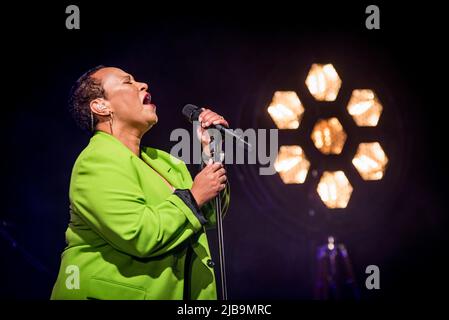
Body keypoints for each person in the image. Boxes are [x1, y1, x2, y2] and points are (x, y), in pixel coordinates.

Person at [50, 66, 230, 300]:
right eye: (128, 82)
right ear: (101, 106)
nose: (143, 84)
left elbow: (209, 214)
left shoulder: (165, 161)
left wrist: (210, 151)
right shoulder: (96, 160)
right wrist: (193, 197)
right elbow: (139, 235)